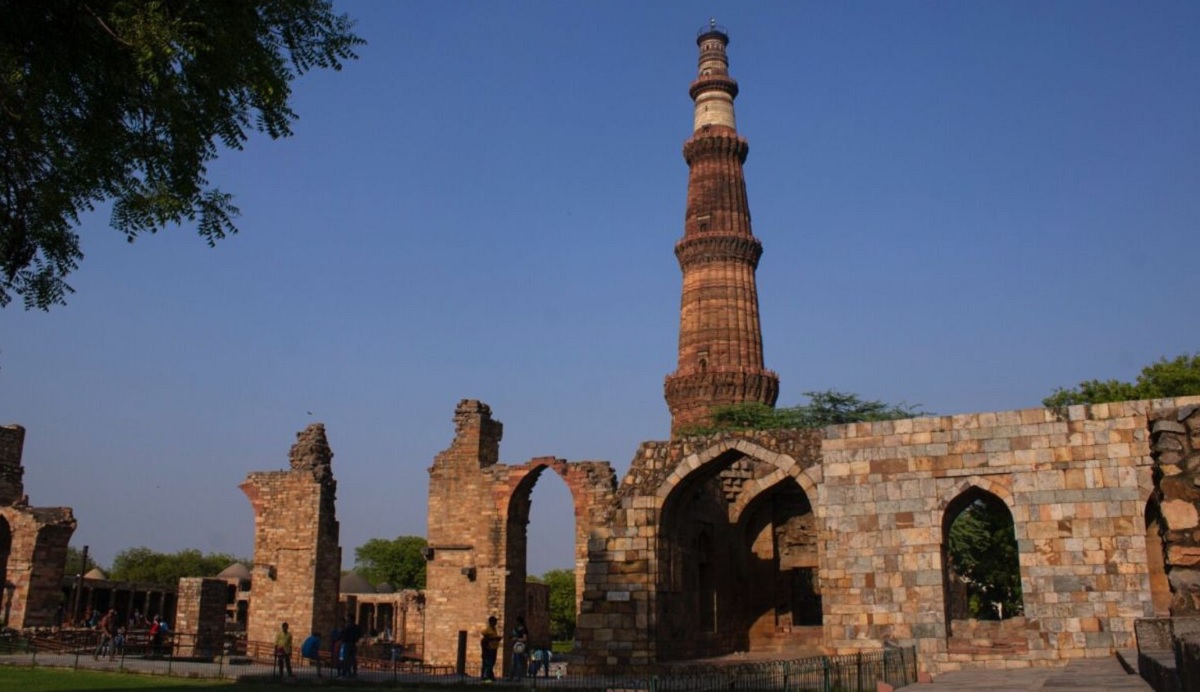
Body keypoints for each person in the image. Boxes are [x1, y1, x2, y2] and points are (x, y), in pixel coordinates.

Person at [480, 615, 501, 682]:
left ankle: (490, 675)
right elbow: (485, 637)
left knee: (492, 662)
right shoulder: (488, 630)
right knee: (488, 663)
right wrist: (494, 638)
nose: (495, 623)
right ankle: (486, 676)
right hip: (489, 649)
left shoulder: (494, 629)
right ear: (490, 622)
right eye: (494, 622)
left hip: (494, 648)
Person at [509, 615, 529, 680]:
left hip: (519, 647)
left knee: (518, 662)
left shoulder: (523, 629)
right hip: (515, 647)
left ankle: (519, 677)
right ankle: (511, 677)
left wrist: (517, 639)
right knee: (513, 663)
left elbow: (525, 639)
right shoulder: (515, 629)